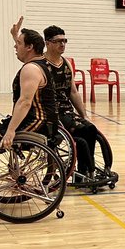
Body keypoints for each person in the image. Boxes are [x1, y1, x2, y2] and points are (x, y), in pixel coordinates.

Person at [43, 25, 112, 183]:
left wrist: (84, 114)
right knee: (83, 133)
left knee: (90, 128)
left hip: (66, 111)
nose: (63, 44)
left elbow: (73, 92)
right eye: (58, 41)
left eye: (65, 41)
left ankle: (84, 170)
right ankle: (85, 171)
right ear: (48, 43)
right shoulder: (41, 65)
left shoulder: (65, 63)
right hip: (51, 113)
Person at [0, 17, 57, 151]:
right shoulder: (41, 62)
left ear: (30, 47)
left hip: (36, 121)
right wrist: (16, 36)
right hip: (46, 121)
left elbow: (25, 102)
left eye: (18, 43)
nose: (15, 46)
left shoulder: (30, 69)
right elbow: (26, 52)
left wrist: (11, 131)